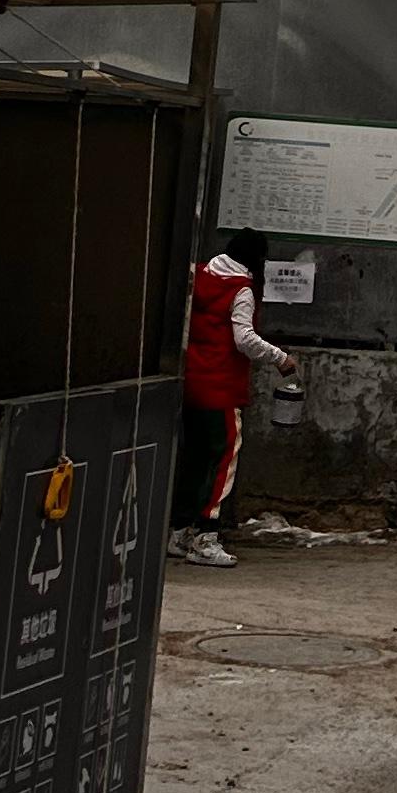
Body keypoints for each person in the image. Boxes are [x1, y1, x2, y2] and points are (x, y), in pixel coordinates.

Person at [173, 227, 291, 568]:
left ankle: (179, 530)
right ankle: (206, 536)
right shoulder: (242, 289)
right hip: (221, 386)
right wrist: (281, 357)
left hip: (192, 381)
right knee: (224, 459)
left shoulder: (199, 274)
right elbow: (245, 339)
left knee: (195, 458)